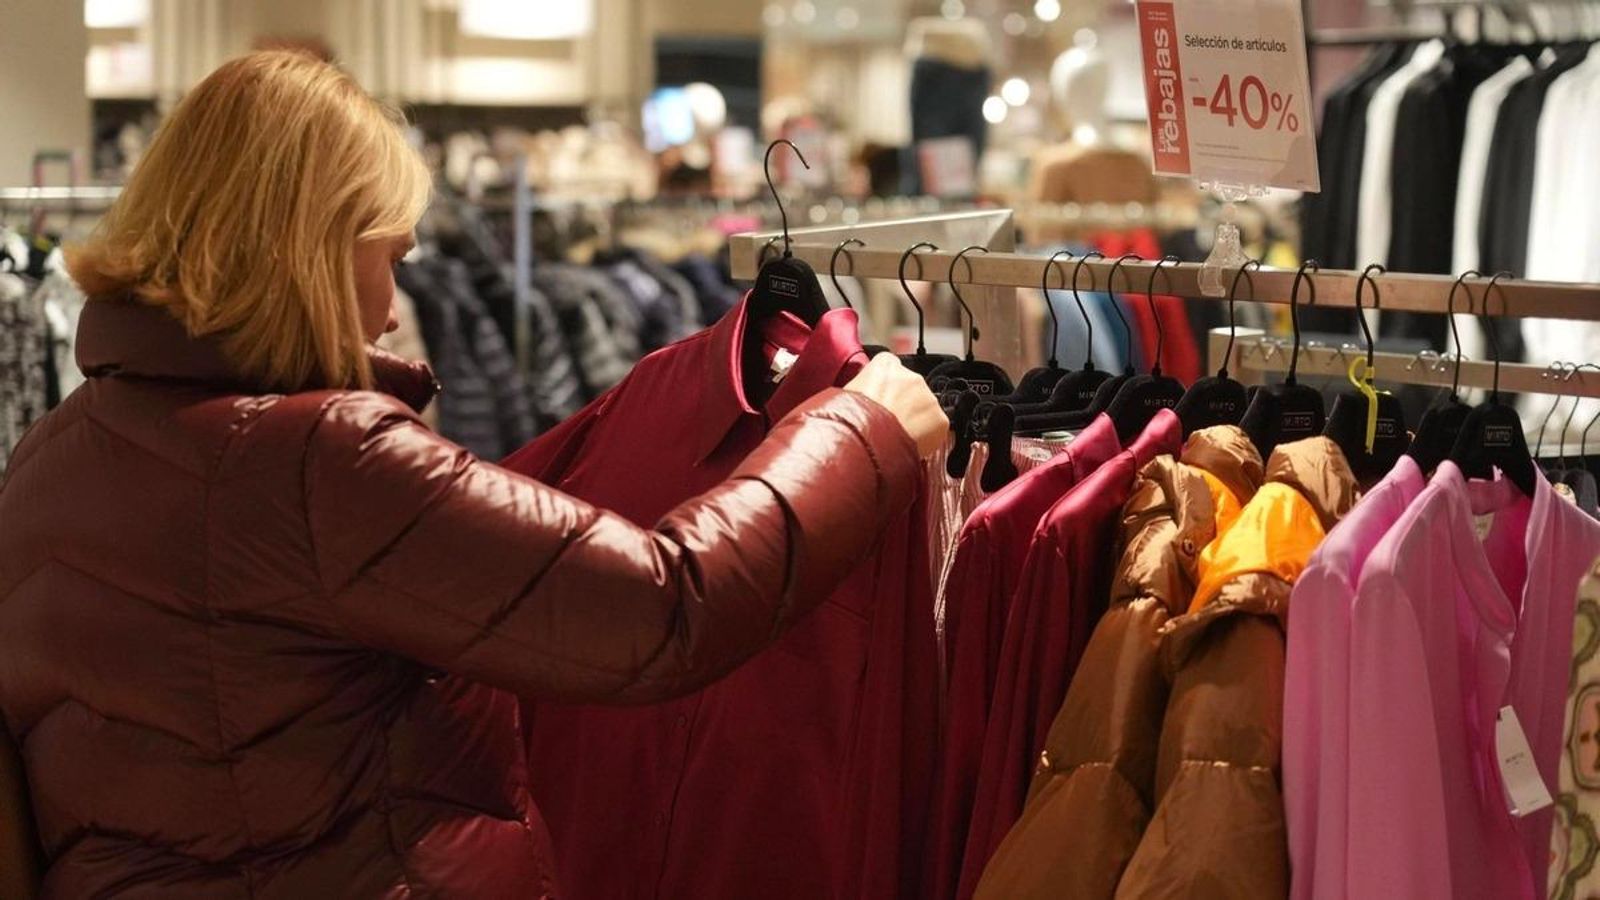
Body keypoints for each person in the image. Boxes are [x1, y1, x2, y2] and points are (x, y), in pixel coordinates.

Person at [0, 51, 945, 899]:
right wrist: (862, 432)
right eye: (390, 257)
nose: (391, 310)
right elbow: (660, 609)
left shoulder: (50, 457)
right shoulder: (321, 461)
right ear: (314, 251)